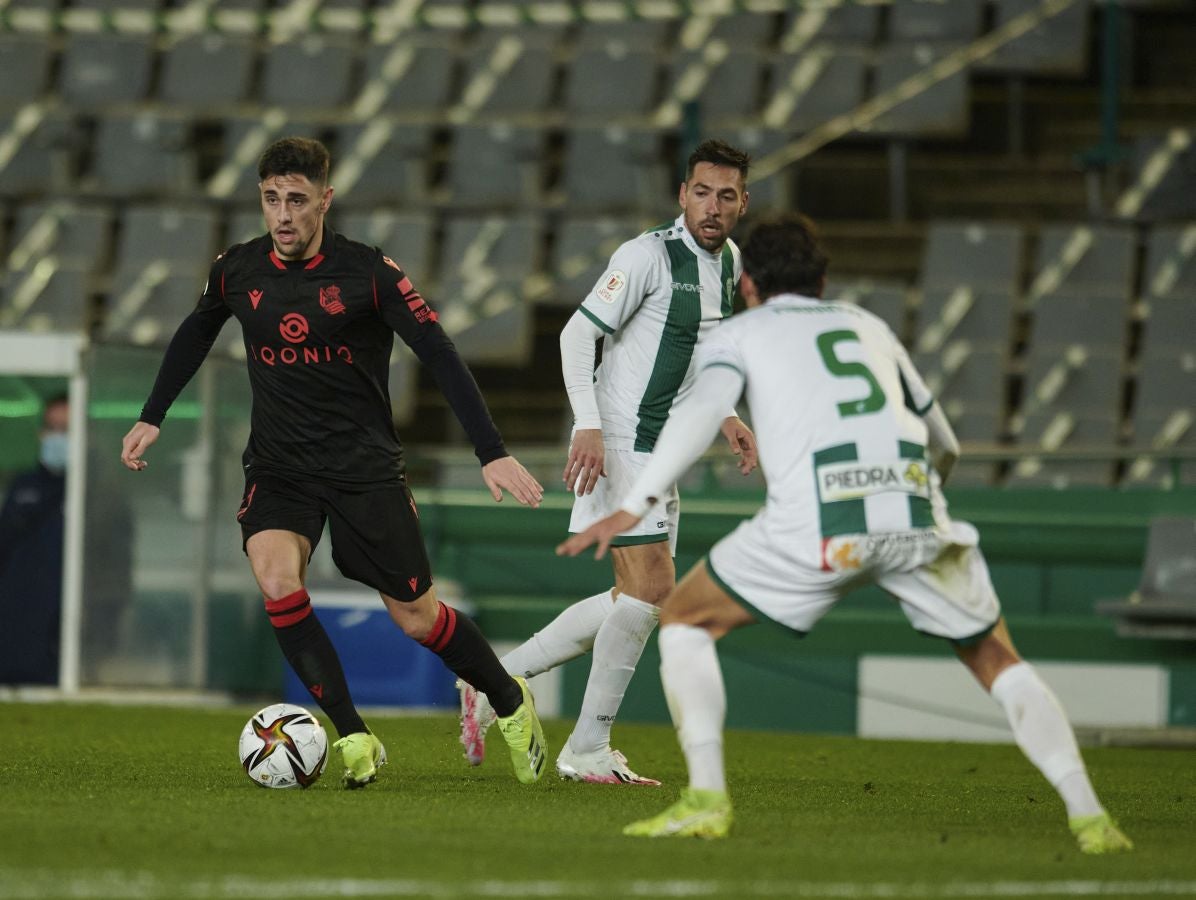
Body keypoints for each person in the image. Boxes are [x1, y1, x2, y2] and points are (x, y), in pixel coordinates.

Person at [558, 213, 1133, 854]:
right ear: (824, 280)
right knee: (999, 660)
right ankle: (1089, 817)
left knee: (686, 621)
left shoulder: (741, 334)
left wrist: (631, 506)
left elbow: (694, 421)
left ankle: (707, 798)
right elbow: (945, 442)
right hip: (916, 510)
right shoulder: (870, 326)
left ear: (746, 285)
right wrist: (920, 498)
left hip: (820, 521)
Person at [121, 137, 549, 787]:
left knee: (416, 617)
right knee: (277, 580)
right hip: (279, 466)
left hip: (363, 469)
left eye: (297, 200)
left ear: (325, 199)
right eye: (271, 200)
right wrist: (152, 413)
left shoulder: (369, 274)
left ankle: (511, 700)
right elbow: (197, 329)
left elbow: (438, 352)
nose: (283, 215)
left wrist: (490, 451)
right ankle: (352, 735)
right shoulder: (236, 270)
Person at [458, 139, 759, 785]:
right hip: (622, 441)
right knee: (652, 591)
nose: (712, 206)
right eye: (701, 192)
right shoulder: (647, 254)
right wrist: (588, 426)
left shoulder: (729, 262)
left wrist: (729, 414)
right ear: (683, 194)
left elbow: (701, 353)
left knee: (633, 595)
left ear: (742, 202)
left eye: (726, 195)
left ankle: (496, 680)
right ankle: (587, 746)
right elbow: (576, 333)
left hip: (663, 448)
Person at [0, 394, 70, 684]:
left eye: (67, 429)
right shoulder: (23, 486)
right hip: (19, 614)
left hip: (70, 615)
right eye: (53, 428)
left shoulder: (101, 492)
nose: (58, 437)